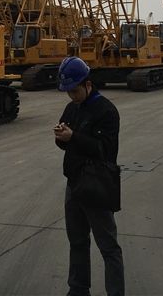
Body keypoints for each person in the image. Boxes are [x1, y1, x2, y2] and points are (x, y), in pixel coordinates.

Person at [54, 56, 125, 296]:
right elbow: (66, 145)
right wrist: (61, 137)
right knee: (77, 241)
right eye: (68, 92)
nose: (71, 96)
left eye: (75, 91)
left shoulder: (106, 111)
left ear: (88, 84)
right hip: (74, 184)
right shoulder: (72, 108)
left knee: (108, 247)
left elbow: (105, 150)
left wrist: (73, 137)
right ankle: (78, 289)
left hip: (97, 185)